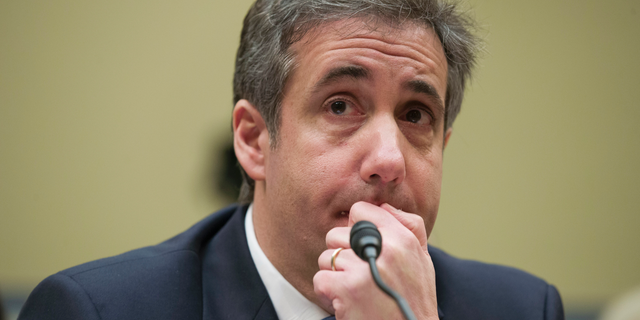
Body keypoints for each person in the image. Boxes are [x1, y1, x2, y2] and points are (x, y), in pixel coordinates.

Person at [18, 0, 564, 319]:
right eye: (341, 104)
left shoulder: (521, 309)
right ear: (254, 141)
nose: (388, 159)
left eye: (416, 115)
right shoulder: (98, 312)